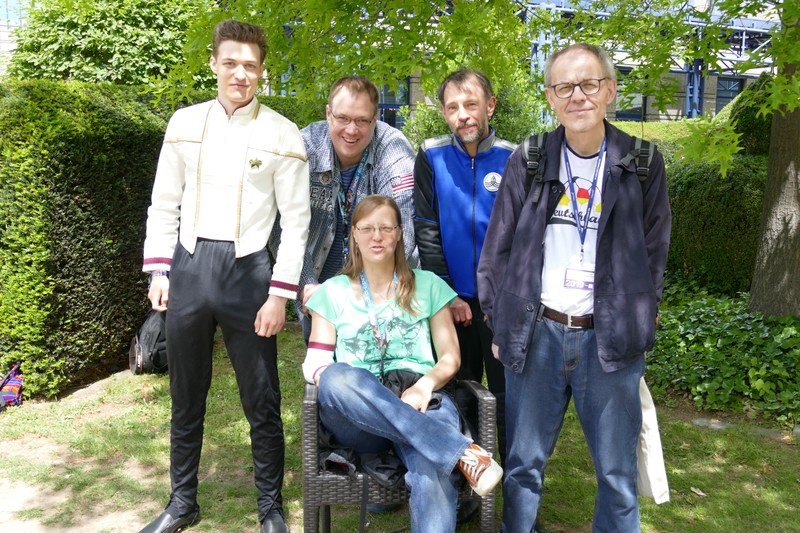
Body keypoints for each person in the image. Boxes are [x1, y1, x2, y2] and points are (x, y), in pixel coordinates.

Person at [477, 43, 671, 533]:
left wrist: (640, 319)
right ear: (550, 96)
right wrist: (499, 323)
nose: (577, 96)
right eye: (564, 87)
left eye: (588, 84)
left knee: (617, 474)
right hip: (537, 333)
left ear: (610, 90)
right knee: (523, 466)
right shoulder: (530, 158)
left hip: (609, 340)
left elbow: (655, 252)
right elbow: (497, 249)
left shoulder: (641, 162)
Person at [140, 19, 310, 533]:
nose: (241, 73)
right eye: (231, 63)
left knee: (262, 399)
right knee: (185, 395)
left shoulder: (282, 133)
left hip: (249, 273)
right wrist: (159, 270)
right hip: (189, 269)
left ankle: (270, 508)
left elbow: (296, 222)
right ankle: (182, 503)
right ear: (214, 63)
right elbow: (163, 203)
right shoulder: (184, 123)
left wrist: (279, 295)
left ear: (262, 71)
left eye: (250, 66)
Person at [302, 195, 502, 532]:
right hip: (359, 408)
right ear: (354, 234)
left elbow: (451, 357)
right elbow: (316, 364)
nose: (376, 236)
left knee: (430, 465)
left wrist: (424, 386)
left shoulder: (429, 285)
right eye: (367, 228)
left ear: (398, 233)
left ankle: (435, 447)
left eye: (385, 228)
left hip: (420, 395)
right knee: (335, 377)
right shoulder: (332, 292)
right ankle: (459, 452)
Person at [414, 69, 514, 467]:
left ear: (490, 106)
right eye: (453, 107)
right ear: (443, 112)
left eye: (471, 104)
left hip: (502, 303)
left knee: (508, 397)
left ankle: (515, 484)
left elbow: (523, 237)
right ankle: (468, 479)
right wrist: (448, 295)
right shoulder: (431, 156)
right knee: (459, 393)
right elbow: (426, 229)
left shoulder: (515, 158)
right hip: (453, 303)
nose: (463, 115)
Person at [291, 75, 417, 341]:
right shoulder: (304, 147)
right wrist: (307, 284)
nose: (351, 130)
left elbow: (401, 227)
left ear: (375, 119)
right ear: (328, 114)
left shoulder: (394, 149)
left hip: (380, 283)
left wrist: (359, 293)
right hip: (317, 278)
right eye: (343, 118)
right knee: (323, 359)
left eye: (362, 120)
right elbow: (285, 225)